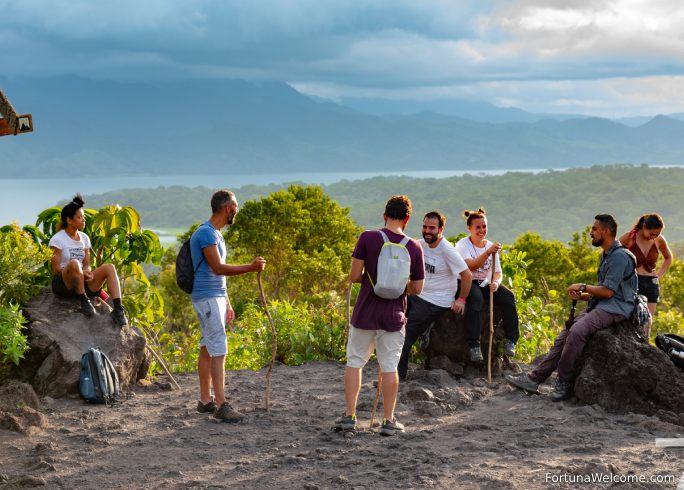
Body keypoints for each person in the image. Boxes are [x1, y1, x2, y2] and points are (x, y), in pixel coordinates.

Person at [506, 214, 637, 402]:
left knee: (576, 331)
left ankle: (563, 380)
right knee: (564, 335)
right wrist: (583, 296)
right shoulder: (607, 255)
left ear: (606, 232)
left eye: (594, 229)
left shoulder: (619, 257)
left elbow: (608, 292)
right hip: (602, 304)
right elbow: (603, 290)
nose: (591, 233)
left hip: (616, 308)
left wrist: (582, 286)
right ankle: (534, 379)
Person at [334, 195, 424, 435]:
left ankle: (350, 416)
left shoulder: (368, 237)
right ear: (407, 219)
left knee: (355, 362)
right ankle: (388, 420)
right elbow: (417, 288)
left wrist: (375, 281)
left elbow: (354, 276)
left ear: (385, 215)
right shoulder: (414, 247)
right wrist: (396, 285)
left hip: (365, 312)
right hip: (393, 316)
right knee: (390, 367)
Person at [191, 190, 266, 423]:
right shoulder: (206, 233)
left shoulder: (216, 234)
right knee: (219, 350)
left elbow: (217, 275)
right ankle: (221, 406)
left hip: (214, 298)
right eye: (236, 206)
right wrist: (250, 268)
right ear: (227, 209)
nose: (237, 210)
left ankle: (205, 402)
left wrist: (227, 302)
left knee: (207, 347)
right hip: (207, 298)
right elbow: (218, 268)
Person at [397, 211, 472, 381]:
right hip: (418, 295)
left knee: (406, 334)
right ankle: (424, 328)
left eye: (432, 228)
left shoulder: (447, 250)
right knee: (392, 318)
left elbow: (467, 275)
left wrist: (461, 300)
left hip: (436, 301)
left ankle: (397, 377)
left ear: (441, 229)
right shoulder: (420, 244)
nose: (428, 231)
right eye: (425, 227)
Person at [49, 194, 128, 325]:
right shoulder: (58, 239)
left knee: (110, 267)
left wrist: (87, 273)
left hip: (82, 282)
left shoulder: (84, 238)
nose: (83, 220)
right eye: (79, 217)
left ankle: (118, 309)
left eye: (83, 217)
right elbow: (56, 270)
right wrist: (80, 271)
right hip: (64, 284)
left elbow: (86, 265)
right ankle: (84, 301)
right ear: (69, 220)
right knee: (74, 263)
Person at [455, 208, 519, 362]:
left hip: (486, 282)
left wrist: (496, 283)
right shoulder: (463, 245)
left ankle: (511, 341)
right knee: (477, 301)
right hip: (468, 281)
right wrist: (488, 252)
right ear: (469, 228)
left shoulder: (489, 245)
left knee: (509, 297)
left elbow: (498, 272)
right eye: (478, 227)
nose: (482, 230)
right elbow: (470, 266)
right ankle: (474, 345)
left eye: (484, 226)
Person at [618, 213, 672, 338]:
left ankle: (644, 348)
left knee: (647, 320)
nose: (653, 237)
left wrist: (658, 275)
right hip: (633, 282)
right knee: (632, 318)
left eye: (657, 234)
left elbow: (668, 257)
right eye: (652, 234)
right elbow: (607, 251)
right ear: (644, 226)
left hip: (651, 283)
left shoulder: (659, 240)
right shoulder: (630, 237)